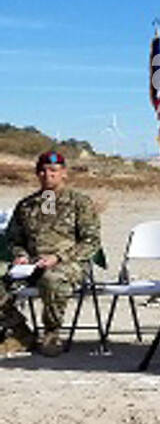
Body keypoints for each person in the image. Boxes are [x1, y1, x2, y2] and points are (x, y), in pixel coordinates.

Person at [0, 151, 102, 357]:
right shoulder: (26, 205)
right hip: (31, 265)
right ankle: (21, 333)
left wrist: (58, 258)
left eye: (53, 170)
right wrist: (20, 255)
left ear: (64, 173)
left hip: (68, 264)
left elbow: (91, 241)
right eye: (43, 171)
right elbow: (13, 240)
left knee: (51, 278)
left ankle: (51, 333)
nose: (48, 175)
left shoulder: (79, 203)